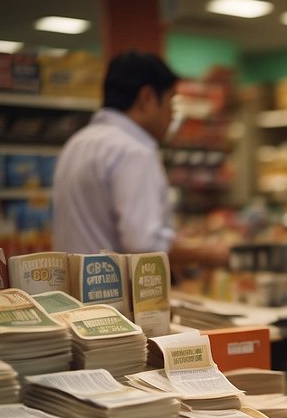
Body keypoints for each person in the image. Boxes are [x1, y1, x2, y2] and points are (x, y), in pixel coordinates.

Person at [52, 50, 229, 276]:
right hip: (113, 301)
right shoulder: (134, 150)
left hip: (71, 296)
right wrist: (207, 254)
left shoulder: (77, 143)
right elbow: (144, 244)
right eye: (170, 101)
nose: (172, 114)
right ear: (147, 98)